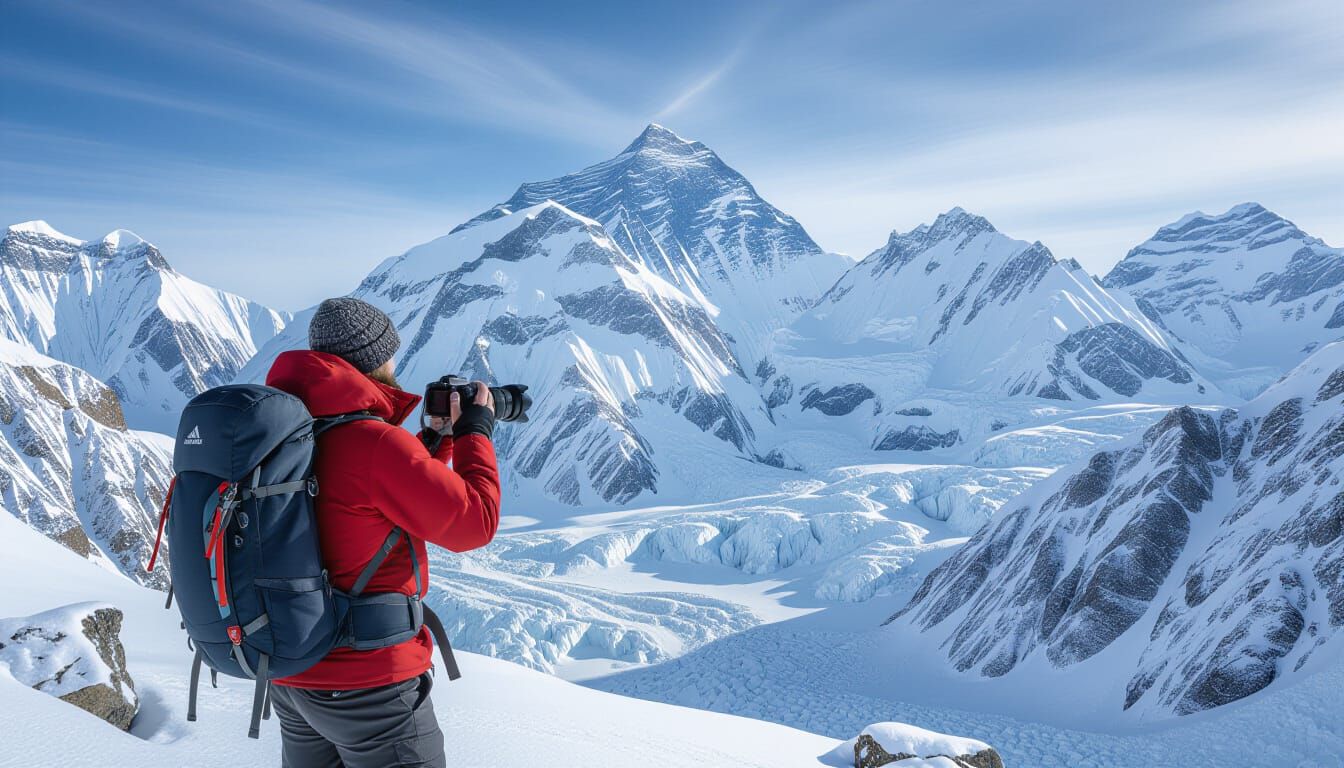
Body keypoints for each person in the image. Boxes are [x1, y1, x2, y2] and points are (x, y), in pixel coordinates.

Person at [263, 296, 501, 768]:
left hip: (293, 678)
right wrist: (476, 433)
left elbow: (361, 504)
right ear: (375, 359)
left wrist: (433, 441)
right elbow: (475, 523)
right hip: (370, 686)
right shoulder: (372, 442)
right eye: (390, 353)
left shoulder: (286, 432)